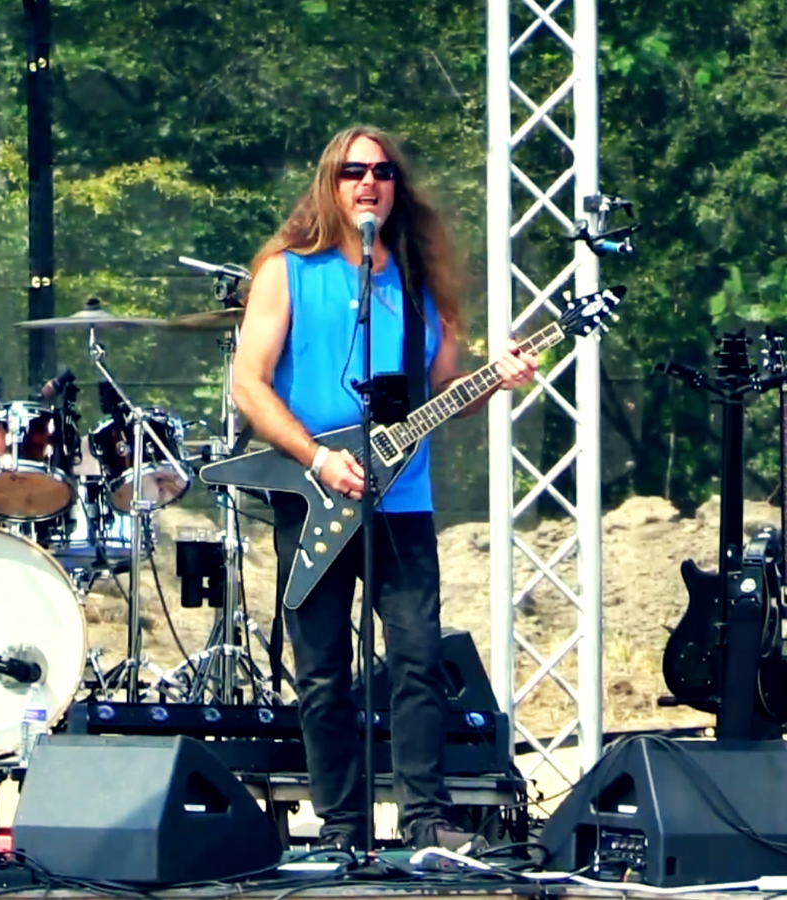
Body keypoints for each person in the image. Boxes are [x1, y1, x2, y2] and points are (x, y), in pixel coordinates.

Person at [231, 126, 538, 852]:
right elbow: (249, 383)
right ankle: (341, 826)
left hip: (402, 501)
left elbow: (446, 393)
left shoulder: (420, 282)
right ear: (330, 183)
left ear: (398, 186)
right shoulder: (287, 272)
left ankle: (425, 817)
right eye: (352, 171)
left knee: (418, 660)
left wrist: (497, 380)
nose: (368, 182)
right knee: (322, 669)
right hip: (315, 494)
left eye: (382, 171)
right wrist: (317, 458)